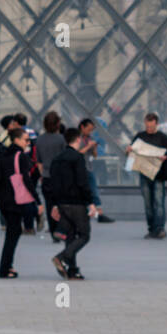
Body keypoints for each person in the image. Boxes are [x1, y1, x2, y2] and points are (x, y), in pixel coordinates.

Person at [0, 126, 39, 279]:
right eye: (26, 140)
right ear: (17, 140)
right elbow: (26, 180)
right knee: (13, 234)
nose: (29, 143)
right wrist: (37, 200)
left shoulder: (2, 154)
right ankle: (4, 269)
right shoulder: (20, 156)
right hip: (15, 200)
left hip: (3, 200)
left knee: (13, 232)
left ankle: (7, 266)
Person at [49, 128, 93, 280]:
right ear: (78, 139)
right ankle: (61, 257)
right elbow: (82, 182)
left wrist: (55, 204)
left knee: (70, 236)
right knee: (84, 235)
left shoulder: (57, 158)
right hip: (77, 202)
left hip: (62, 203)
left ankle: (73, 270)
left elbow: (52, 184)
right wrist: (90, 202)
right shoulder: (77, 158)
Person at [127, 113, 167, 239]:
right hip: (144, 174)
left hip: (158, 175)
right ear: (145, 123)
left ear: (156, 124)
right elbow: (131, 153)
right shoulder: (140, 136)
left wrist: (164, 157)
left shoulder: (163, 138)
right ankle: (152, 229)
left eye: (151, 126)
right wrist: (128, 150)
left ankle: (160, 229)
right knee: (148, 204)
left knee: (159, 202)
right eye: (147, 126)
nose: (149, 128)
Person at [76, 118, 114, 224]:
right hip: (79, 169)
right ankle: (84, 213)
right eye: (88, 129)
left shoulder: (90, 138)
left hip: (88, 167)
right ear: (82, 127)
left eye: (91, 130)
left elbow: (94, 155)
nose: (90, 132)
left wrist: (94, 148)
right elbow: (76, 153)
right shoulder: (76, 138)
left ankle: (99, 213)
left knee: (94, 190)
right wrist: (88, 146)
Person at [35, 111, 67, 235]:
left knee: (49, 204)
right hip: (60, 177)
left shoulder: (39, 140)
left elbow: (39, 162)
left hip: (46, 177)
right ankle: (60, 229)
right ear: (58, 123)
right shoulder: (61, 139)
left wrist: (42, 175)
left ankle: (53, 229)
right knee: (61, 204)